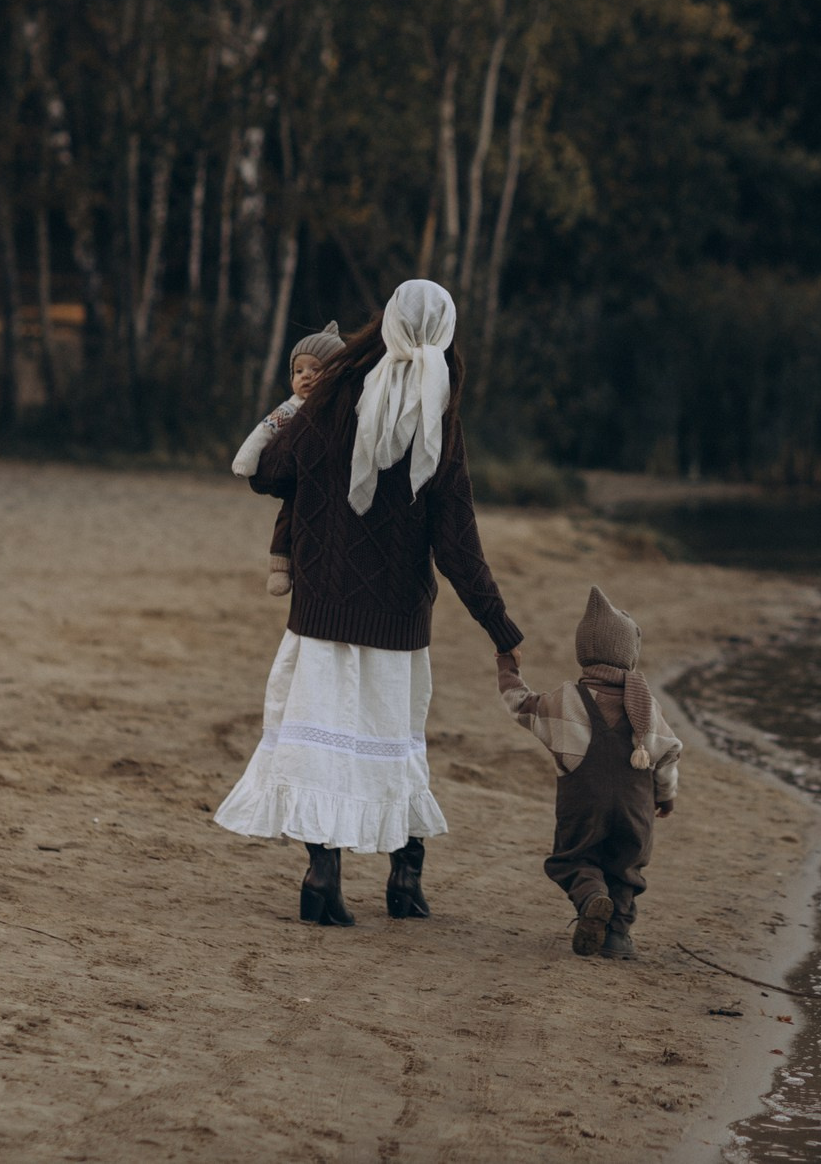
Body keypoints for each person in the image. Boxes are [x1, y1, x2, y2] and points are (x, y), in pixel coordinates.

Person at [215, 281, 524, 925]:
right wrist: (501, 628)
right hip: (397, 620)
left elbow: (268, 473)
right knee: (394, 745)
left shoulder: (329, 400)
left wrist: (297, 416)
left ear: (384, 327)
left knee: (323, 743)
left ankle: (322, 878)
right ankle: (404, 885)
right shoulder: (439, 416)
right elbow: (457, 543)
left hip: (322, 611)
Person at [498, 585, 683, 959]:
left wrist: (508, 664)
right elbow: (668, 753)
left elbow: (520, 704)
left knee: (573, 859)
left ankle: (591, 897)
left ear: (584, 653)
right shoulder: (647, 706)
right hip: (636, 809)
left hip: (583, 807)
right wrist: (665, 795)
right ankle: (617, 938)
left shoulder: (565, 700)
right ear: (629, 655)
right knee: (626, 870)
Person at [231, 323, 348, 596]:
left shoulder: (346, 408)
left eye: (315, 369)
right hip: (301, 482)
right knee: (288, 515)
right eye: (298, 371)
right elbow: (265, 431)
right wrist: (246, 461)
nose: (306, 376)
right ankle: (280, 566)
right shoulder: (290, 409)